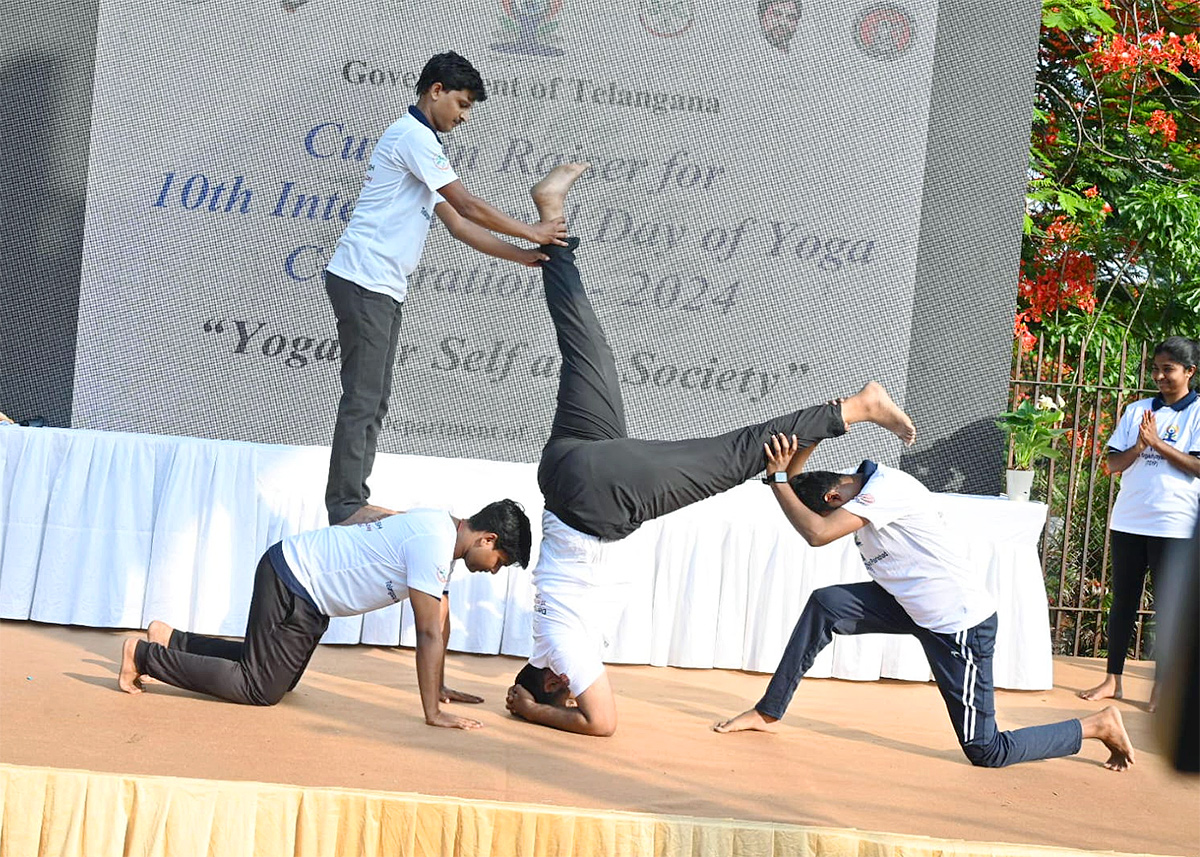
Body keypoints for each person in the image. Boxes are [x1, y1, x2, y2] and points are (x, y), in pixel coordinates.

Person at [502, 163, 917, 736]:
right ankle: (552, 215)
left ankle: (858, 407)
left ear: (551, 682)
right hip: (564, 469)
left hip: (599, 501)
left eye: (563, 693)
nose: (575, 692)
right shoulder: (548, 638)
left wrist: (532, 712)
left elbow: (602, 725)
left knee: (736, 455)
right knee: (584, 344)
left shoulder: (563, 649)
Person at [712, 434, 1137, 771]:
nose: (830, 521)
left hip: (958, 626)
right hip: (909, 604)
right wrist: (814, 436)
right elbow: (813, 499)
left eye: (825, 512)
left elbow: (817, 533)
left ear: (833, 501)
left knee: (986, 750)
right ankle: (769, 712)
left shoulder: (885, 490)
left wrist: (779, 482)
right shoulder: (851, 488)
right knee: (828, 604)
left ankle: (1096, 725)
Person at [324, 51, 568, 526]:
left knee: (374, 398)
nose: (464, 115)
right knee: (363, 396)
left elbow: (458, 225)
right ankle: (346, 505)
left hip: (382, 285)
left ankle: (352, 498)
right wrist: (534, 231)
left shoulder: (423, 145)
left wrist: (525, 256)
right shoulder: (414, 136)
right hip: (363, 279)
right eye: (461, 103)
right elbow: (469, 204)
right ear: (435, 90)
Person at [117, 500, 532, 730]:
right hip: (294, 579)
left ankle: (172, 639)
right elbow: (427, 635)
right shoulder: (434, 544)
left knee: (281, 676)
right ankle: (143, 657)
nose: (494, 569)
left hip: (306, 591)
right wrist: (433, 714)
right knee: (260, 687)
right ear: (487, 538)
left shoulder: (442, 531)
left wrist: (441, 686)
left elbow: (440, 617)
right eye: (500, 560)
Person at [1079, 336, 1200, 710]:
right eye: (1156, 369)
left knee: (1169, 608)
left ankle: (1162, 687)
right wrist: (1139, 447)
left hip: (1175, 525)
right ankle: (1112, 679)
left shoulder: (1197, 413)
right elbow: (1113, 464)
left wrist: (1158, 444)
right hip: (1130, 520)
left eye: (1169, 369)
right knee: (1123, 602)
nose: (1160, 376)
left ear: (1189, 372)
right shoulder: (1136, 412)